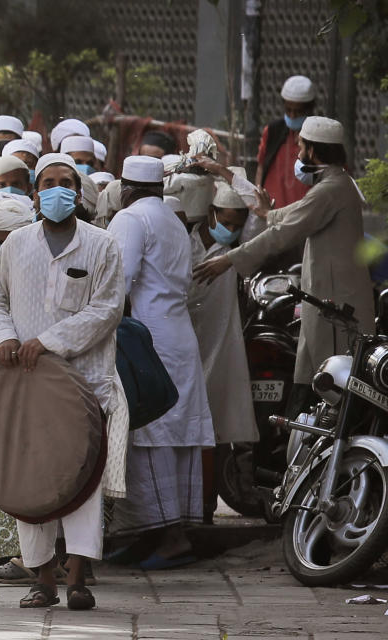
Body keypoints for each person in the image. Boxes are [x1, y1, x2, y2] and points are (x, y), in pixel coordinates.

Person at [0, 152, 127, 610]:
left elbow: (106, 310)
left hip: (86, 384)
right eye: (48, 182)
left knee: (82, 480)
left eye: (66, 181)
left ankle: (77, 577)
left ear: (77, 192)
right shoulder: (15, 245)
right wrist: (2, 337)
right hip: (27, 385)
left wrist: (47, 341)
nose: (57, 189)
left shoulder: (102, 246)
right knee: (31, 479)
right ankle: (42, 578)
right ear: (36, 192)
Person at [195, 116, 376, 416]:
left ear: (314, 151)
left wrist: (228, 260)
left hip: (335, 309)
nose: (298, 153)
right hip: (326, 303)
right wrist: (225, 173)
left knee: (329, 388)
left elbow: (282, 232)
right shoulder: (334, 185)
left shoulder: (330, 190)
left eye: (302, 147)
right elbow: (275, 214)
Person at [107, 156, 214, 569]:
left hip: (146, 337)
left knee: (151, 432)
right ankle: (157, 536)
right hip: (178, 333)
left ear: (126, 187)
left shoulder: (131, 219)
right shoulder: (172, 218)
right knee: (175, 432)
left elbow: (119, 279)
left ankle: (170, 539)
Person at [187, 181, 260, 522]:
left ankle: (205, 508)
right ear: (209, 213)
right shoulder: (182, 240)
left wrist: (225, 174)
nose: (230, 229)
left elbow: (260, 214)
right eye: (225, 222)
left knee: (216, 430)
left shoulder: (237, 251)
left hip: (221, 347)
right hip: (184, 347)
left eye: (236, 224)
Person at [255, 75, 316, 208]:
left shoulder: (319, 136)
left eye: (298, 112)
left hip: (304, 214)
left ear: (309, 109)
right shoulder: (272, 131)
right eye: (288, 110)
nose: (292, 116)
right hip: (271, 211)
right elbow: (261, 166)